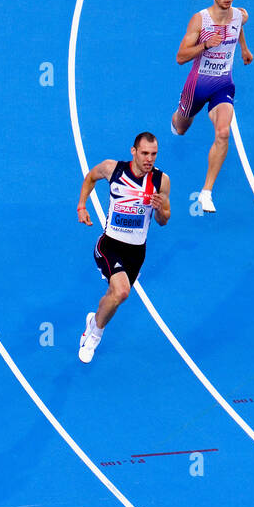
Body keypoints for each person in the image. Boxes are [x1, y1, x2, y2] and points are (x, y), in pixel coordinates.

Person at [76, 133, 171, 363]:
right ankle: (95, 335)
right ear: (134, 151)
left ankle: (93, 322)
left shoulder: (161, 181)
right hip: (110, 246)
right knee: (121, 291)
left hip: (136, 253)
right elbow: (90, 177)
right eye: (145, 153)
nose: (150, 159)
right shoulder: (113, 169)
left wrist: (160, 209)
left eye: (154, 154)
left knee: (113, 297)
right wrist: (81, 205)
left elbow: (164, 219)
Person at [170, 0, 252, 213]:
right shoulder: (200, 20)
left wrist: (245, 50)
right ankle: (178, 116)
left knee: (223, 133)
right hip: (196, 86)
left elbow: (238, 27)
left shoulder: (240, 15)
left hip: (223, 85)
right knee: (182, 128)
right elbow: (180, 57)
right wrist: (206, 44)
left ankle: (206, 192)